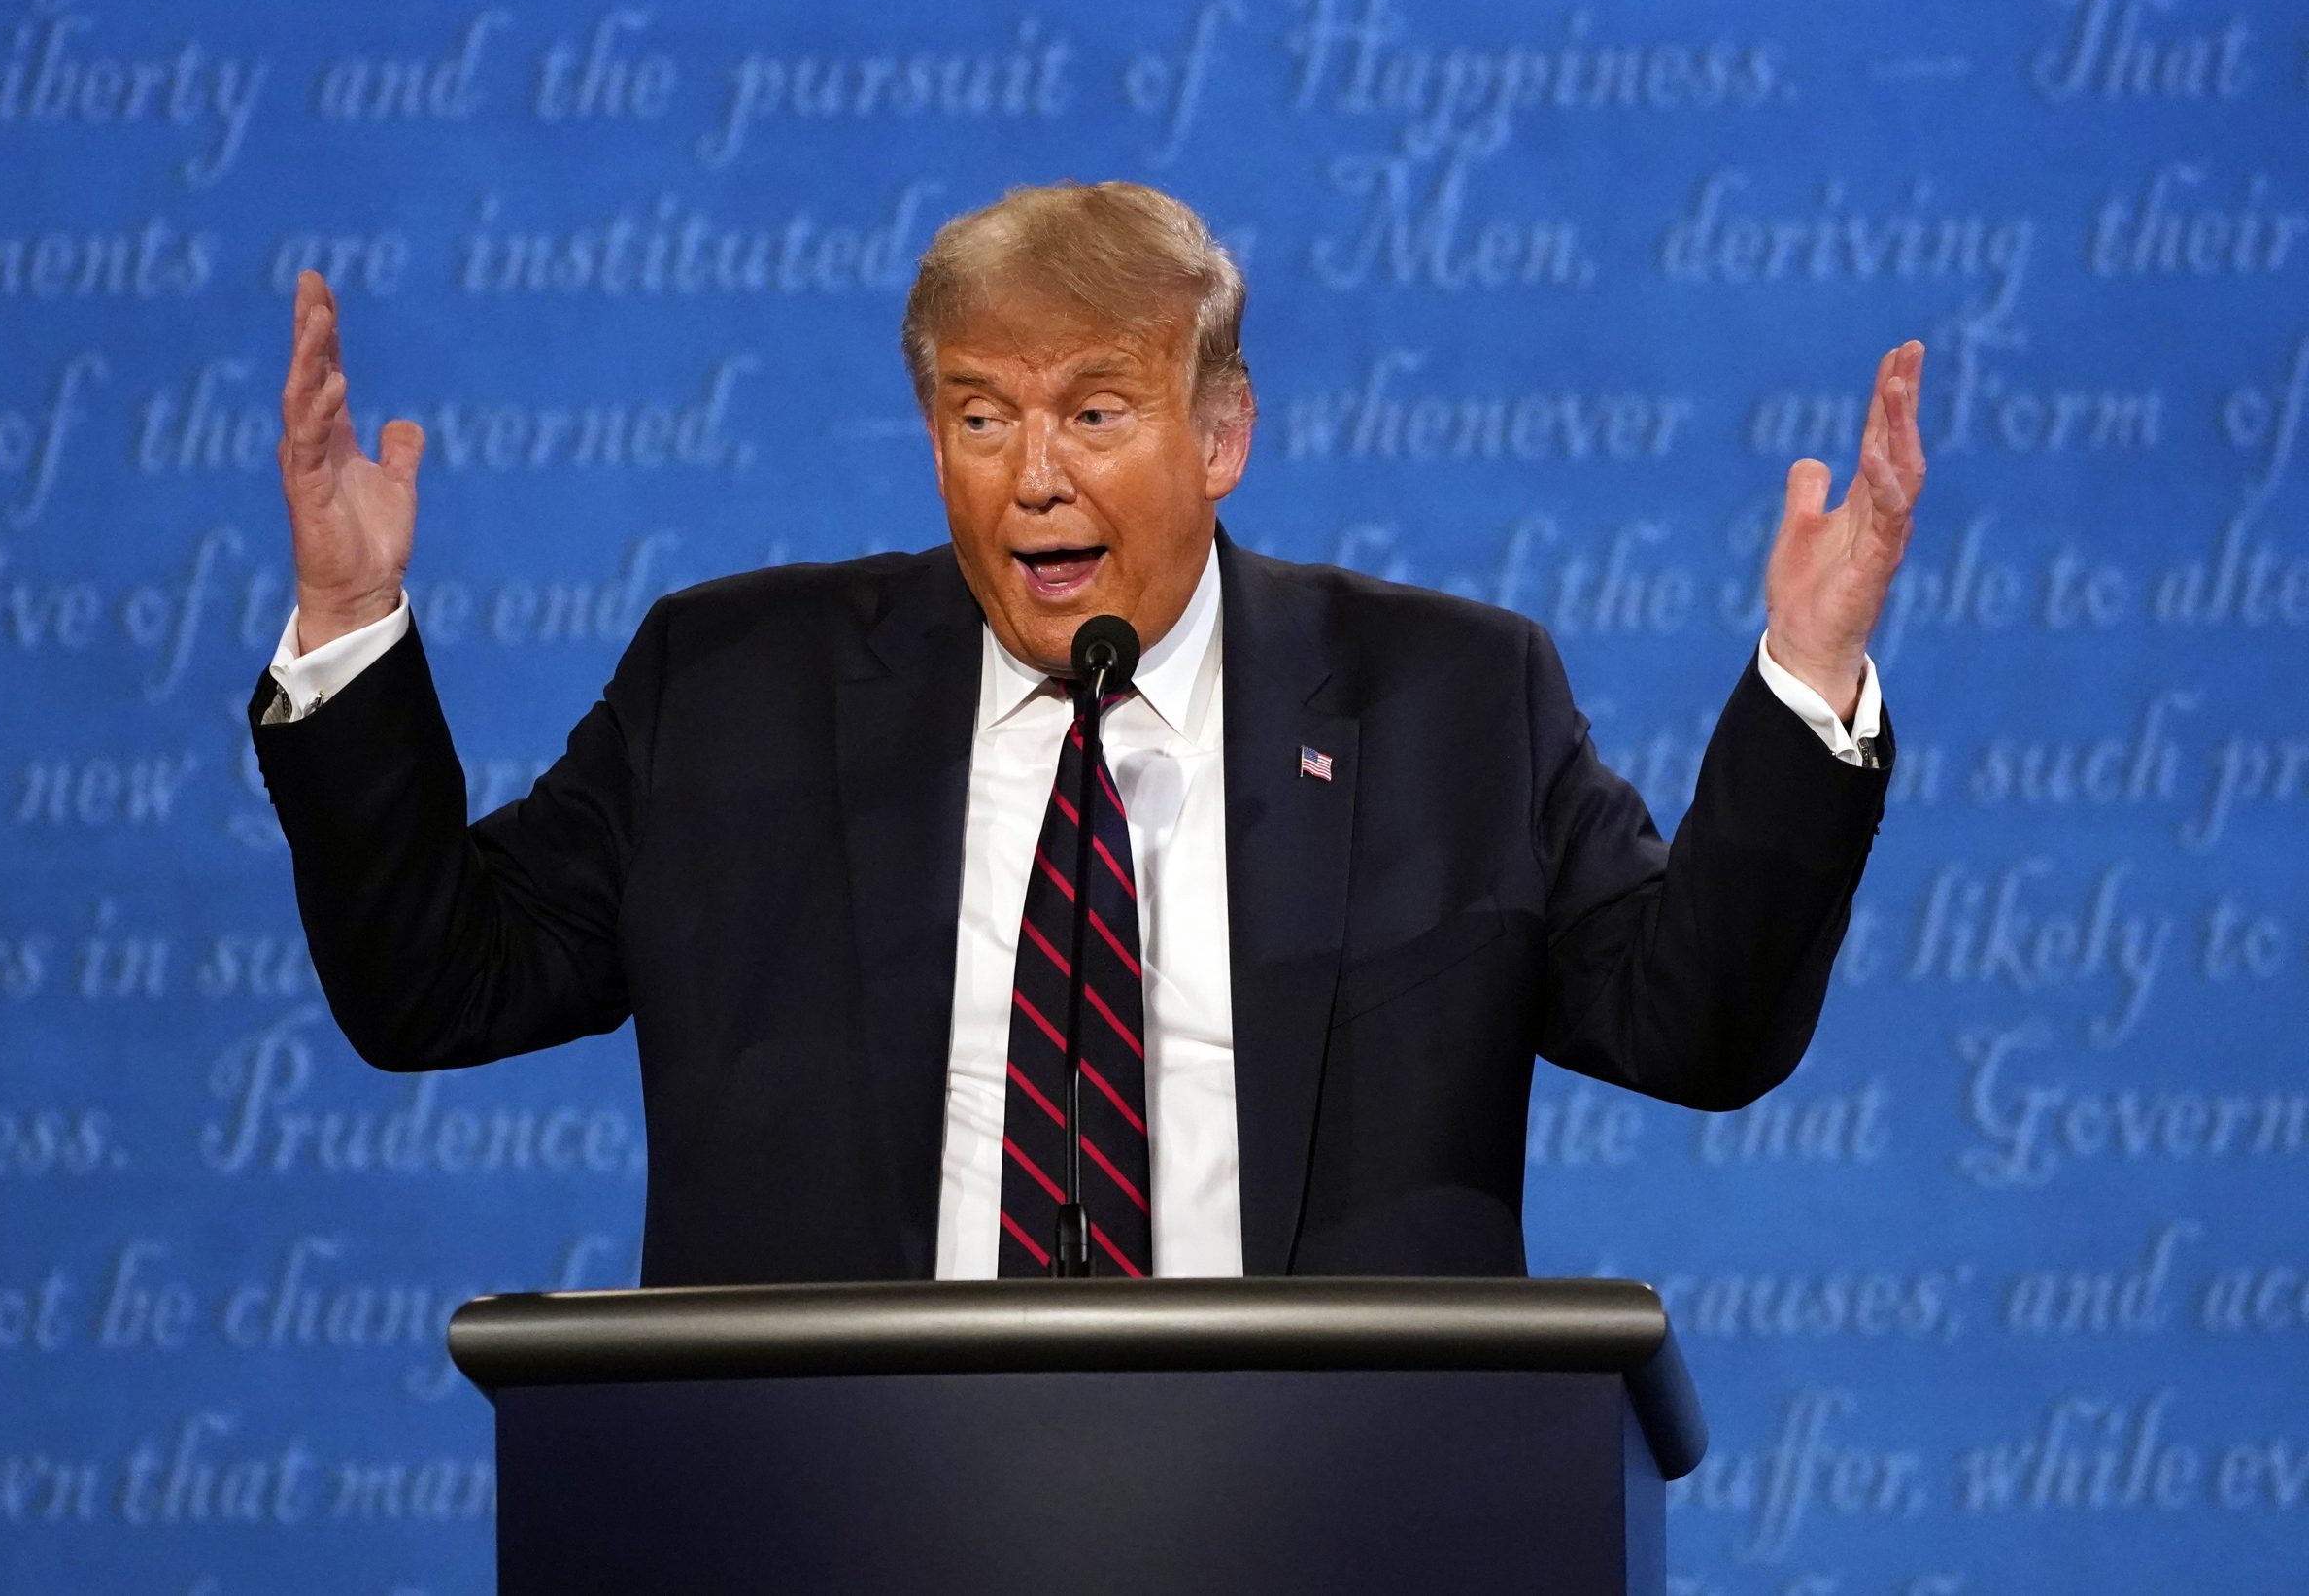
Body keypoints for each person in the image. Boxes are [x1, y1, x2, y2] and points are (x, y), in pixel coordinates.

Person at [250, 180, 1922, 1286]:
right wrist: (348, 628)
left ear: (1220, 435)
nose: (1033, 472)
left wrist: (1808, 667)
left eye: (1095, 412)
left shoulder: (1447, 705)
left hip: (1329, 1511)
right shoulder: (730, 692)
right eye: (982, 416)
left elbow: (1692, 1026)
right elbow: (434, 984)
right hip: (836, 1507)